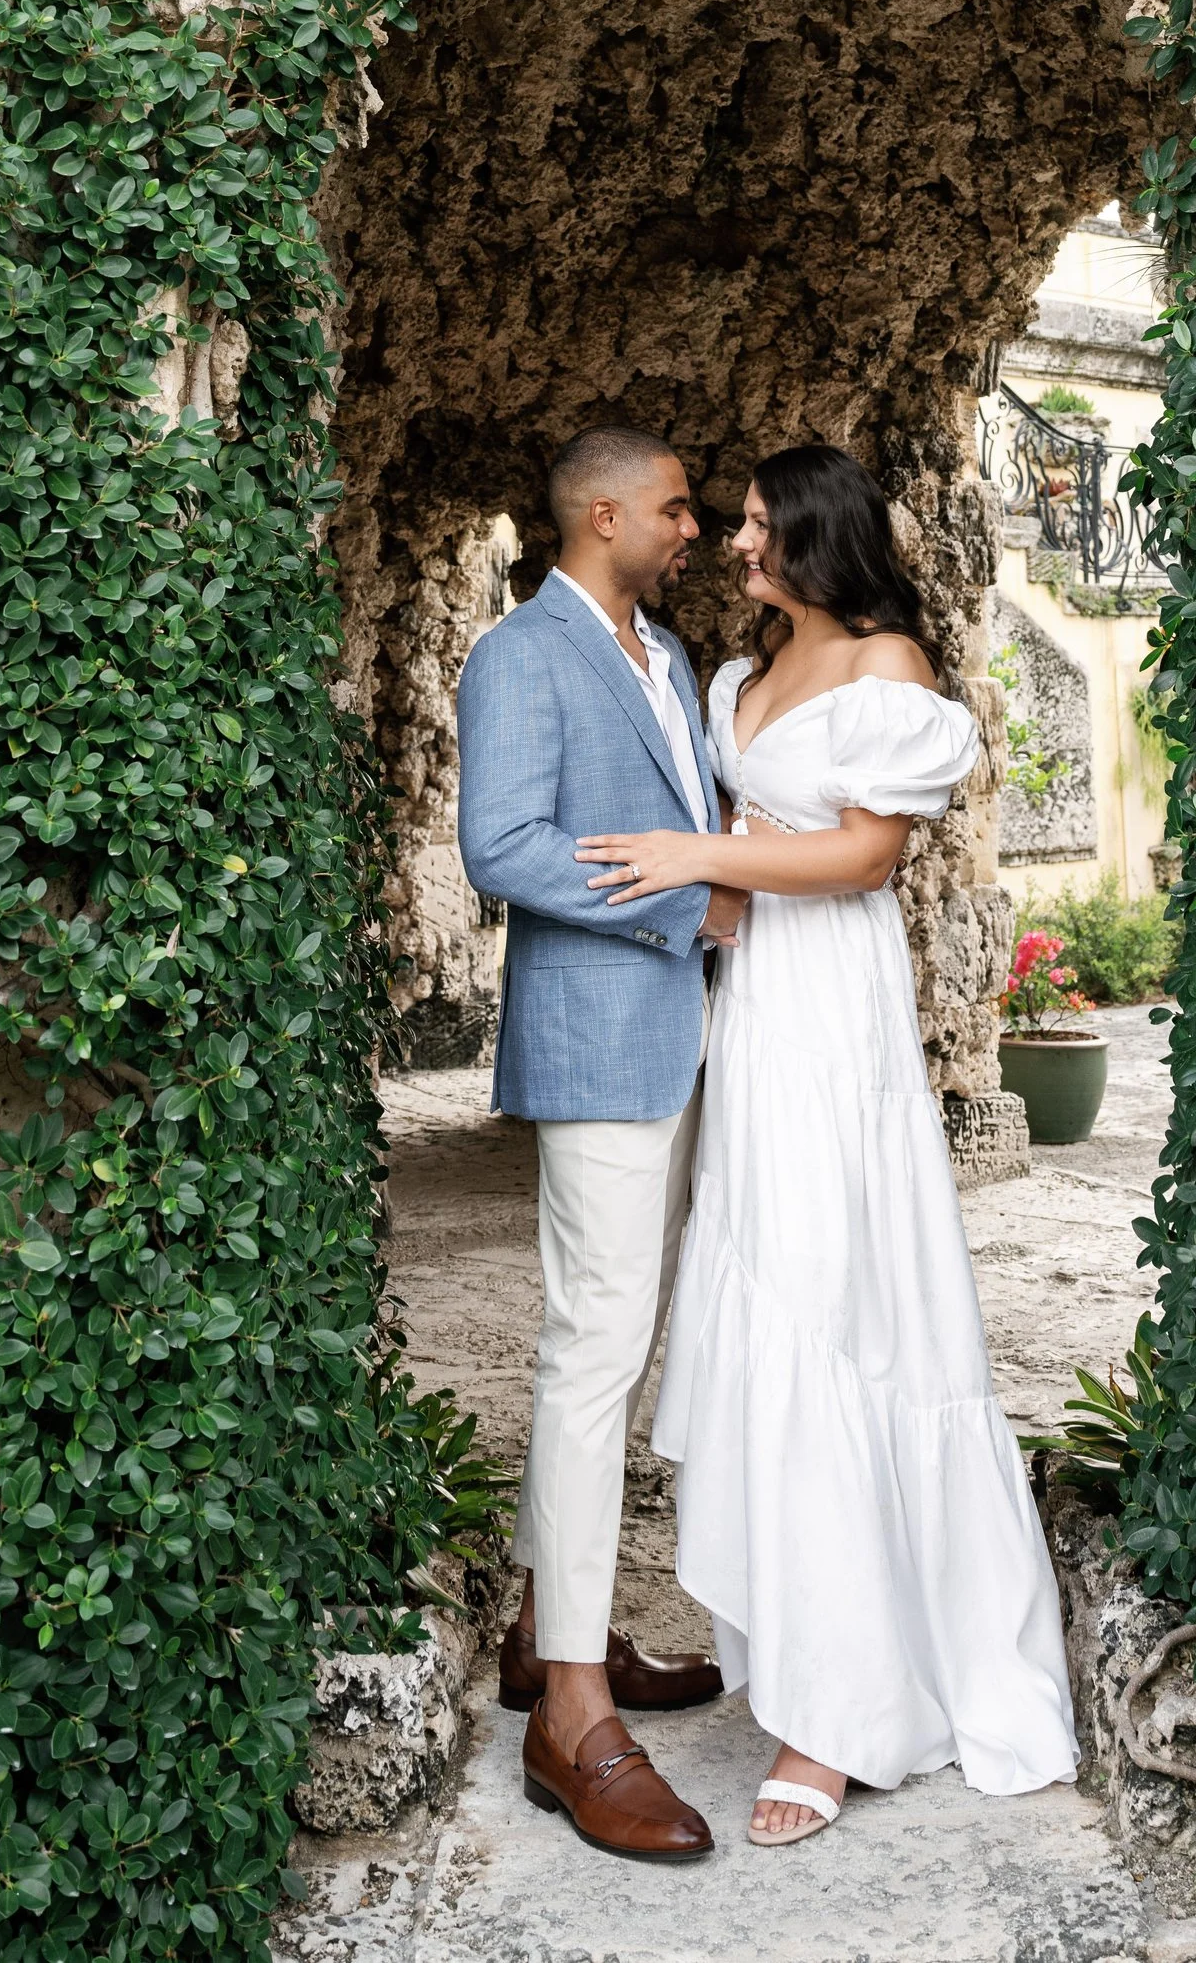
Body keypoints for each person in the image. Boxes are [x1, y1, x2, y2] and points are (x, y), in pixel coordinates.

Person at [578, 441, 1078, 1848]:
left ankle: (839, 1716)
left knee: (839, 1307)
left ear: (817, 534)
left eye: (756, 526)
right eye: (731, 525)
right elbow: (748, 833)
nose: (737, 548)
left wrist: (698, 860)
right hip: (756, 1012)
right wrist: (699, 901)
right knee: (761, 1291)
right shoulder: (743, 678)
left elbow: (864, 857)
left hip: (838, 1010)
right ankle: (803, 1645)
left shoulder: (890, 669)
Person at [455, 424, 750, 1866]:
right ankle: (571, 1713)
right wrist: (681, 905)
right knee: (591, 1350)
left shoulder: (670, 655)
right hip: (597, 1036)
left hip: (685, 1037)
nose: (692, 527)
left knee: (619, 1345)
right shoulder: (522, 654)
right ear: (604, 510)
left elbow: (694, 814)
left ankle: (541, 1627)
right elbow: (500, 842)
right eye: (678, 507)